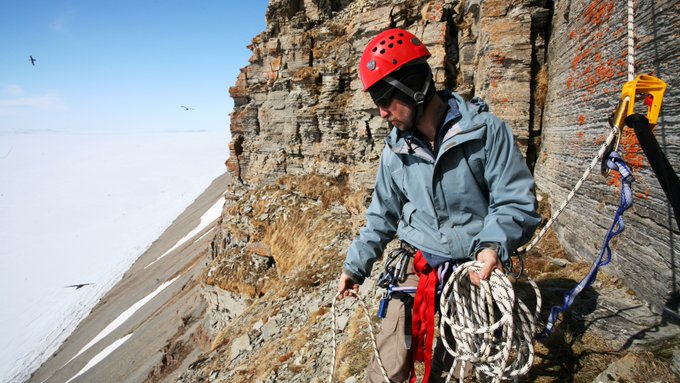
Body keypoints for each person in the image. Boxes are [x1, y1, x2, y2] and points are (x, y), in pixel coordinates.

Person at [336, 28, 540, 382]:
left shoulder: (486, 133)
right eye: (376, 103)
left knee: (466, 369)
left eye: (386, 99)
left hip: (476, 267)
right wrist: (355, 267)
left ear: (414, 87)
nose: (382, 113)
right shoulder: (396, 153)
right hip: (420, 263)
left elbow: (514, 201)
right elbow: (381, 214)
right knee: (388, 364)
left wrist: (492, 248)